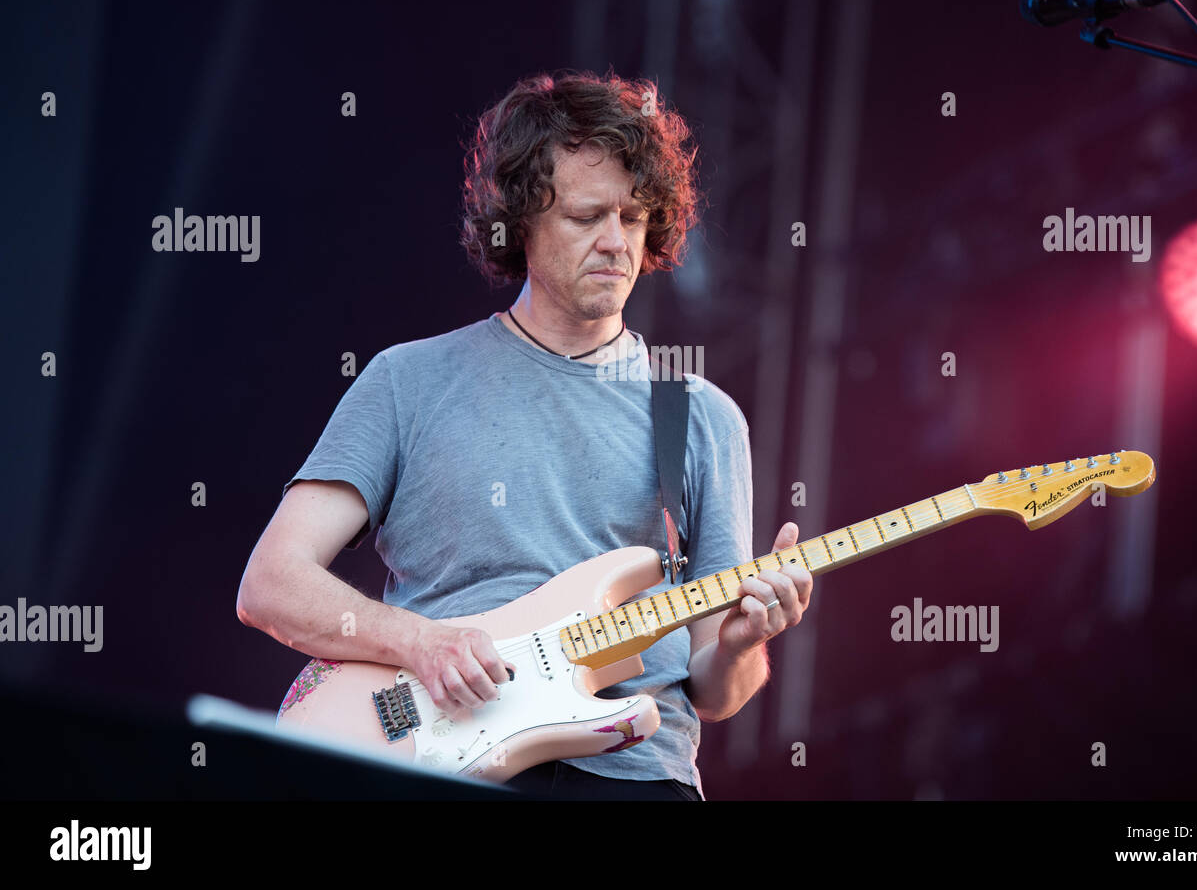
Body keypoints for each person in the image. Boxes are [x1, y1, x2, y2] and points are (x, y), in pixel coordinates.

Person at [235, 69, 812, 800]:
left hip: (635, 774)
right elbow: (271, 583)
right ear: (520, 221)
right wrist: (421, 641)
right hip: (441, 751)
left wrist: (741, 641)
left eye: (633, 218)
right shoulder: (407, 380)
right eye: (585, 216)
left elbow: (717, 688)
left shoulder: (700, 415)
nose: (615, 243)